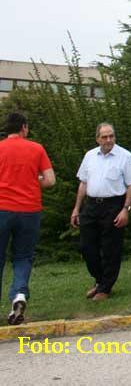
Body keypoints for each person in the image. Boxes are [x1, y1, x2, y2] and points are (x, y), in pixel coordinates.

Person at [70, 122, 131, 300]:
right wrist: (77, 208)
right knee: (87, 247)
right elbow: (83, 183)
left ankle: (105, 288)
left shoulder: (125, 156)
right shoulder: (89, 156)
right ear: (97, 139)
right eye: (104, 137)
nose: (109, 140)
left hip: (114, 205)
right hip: (91, 205)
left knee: (111, 249)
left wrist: (126, 209)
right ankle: (100, 280)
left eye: (111, 136)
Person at [0, 113, 55, 325]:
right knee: (23, 256)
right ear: (24, 127)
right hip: (29, 210)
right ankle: (19, 294)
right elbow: (50, 180)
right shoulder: (37, 149)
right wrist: (32, 180)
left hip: (2, 208)